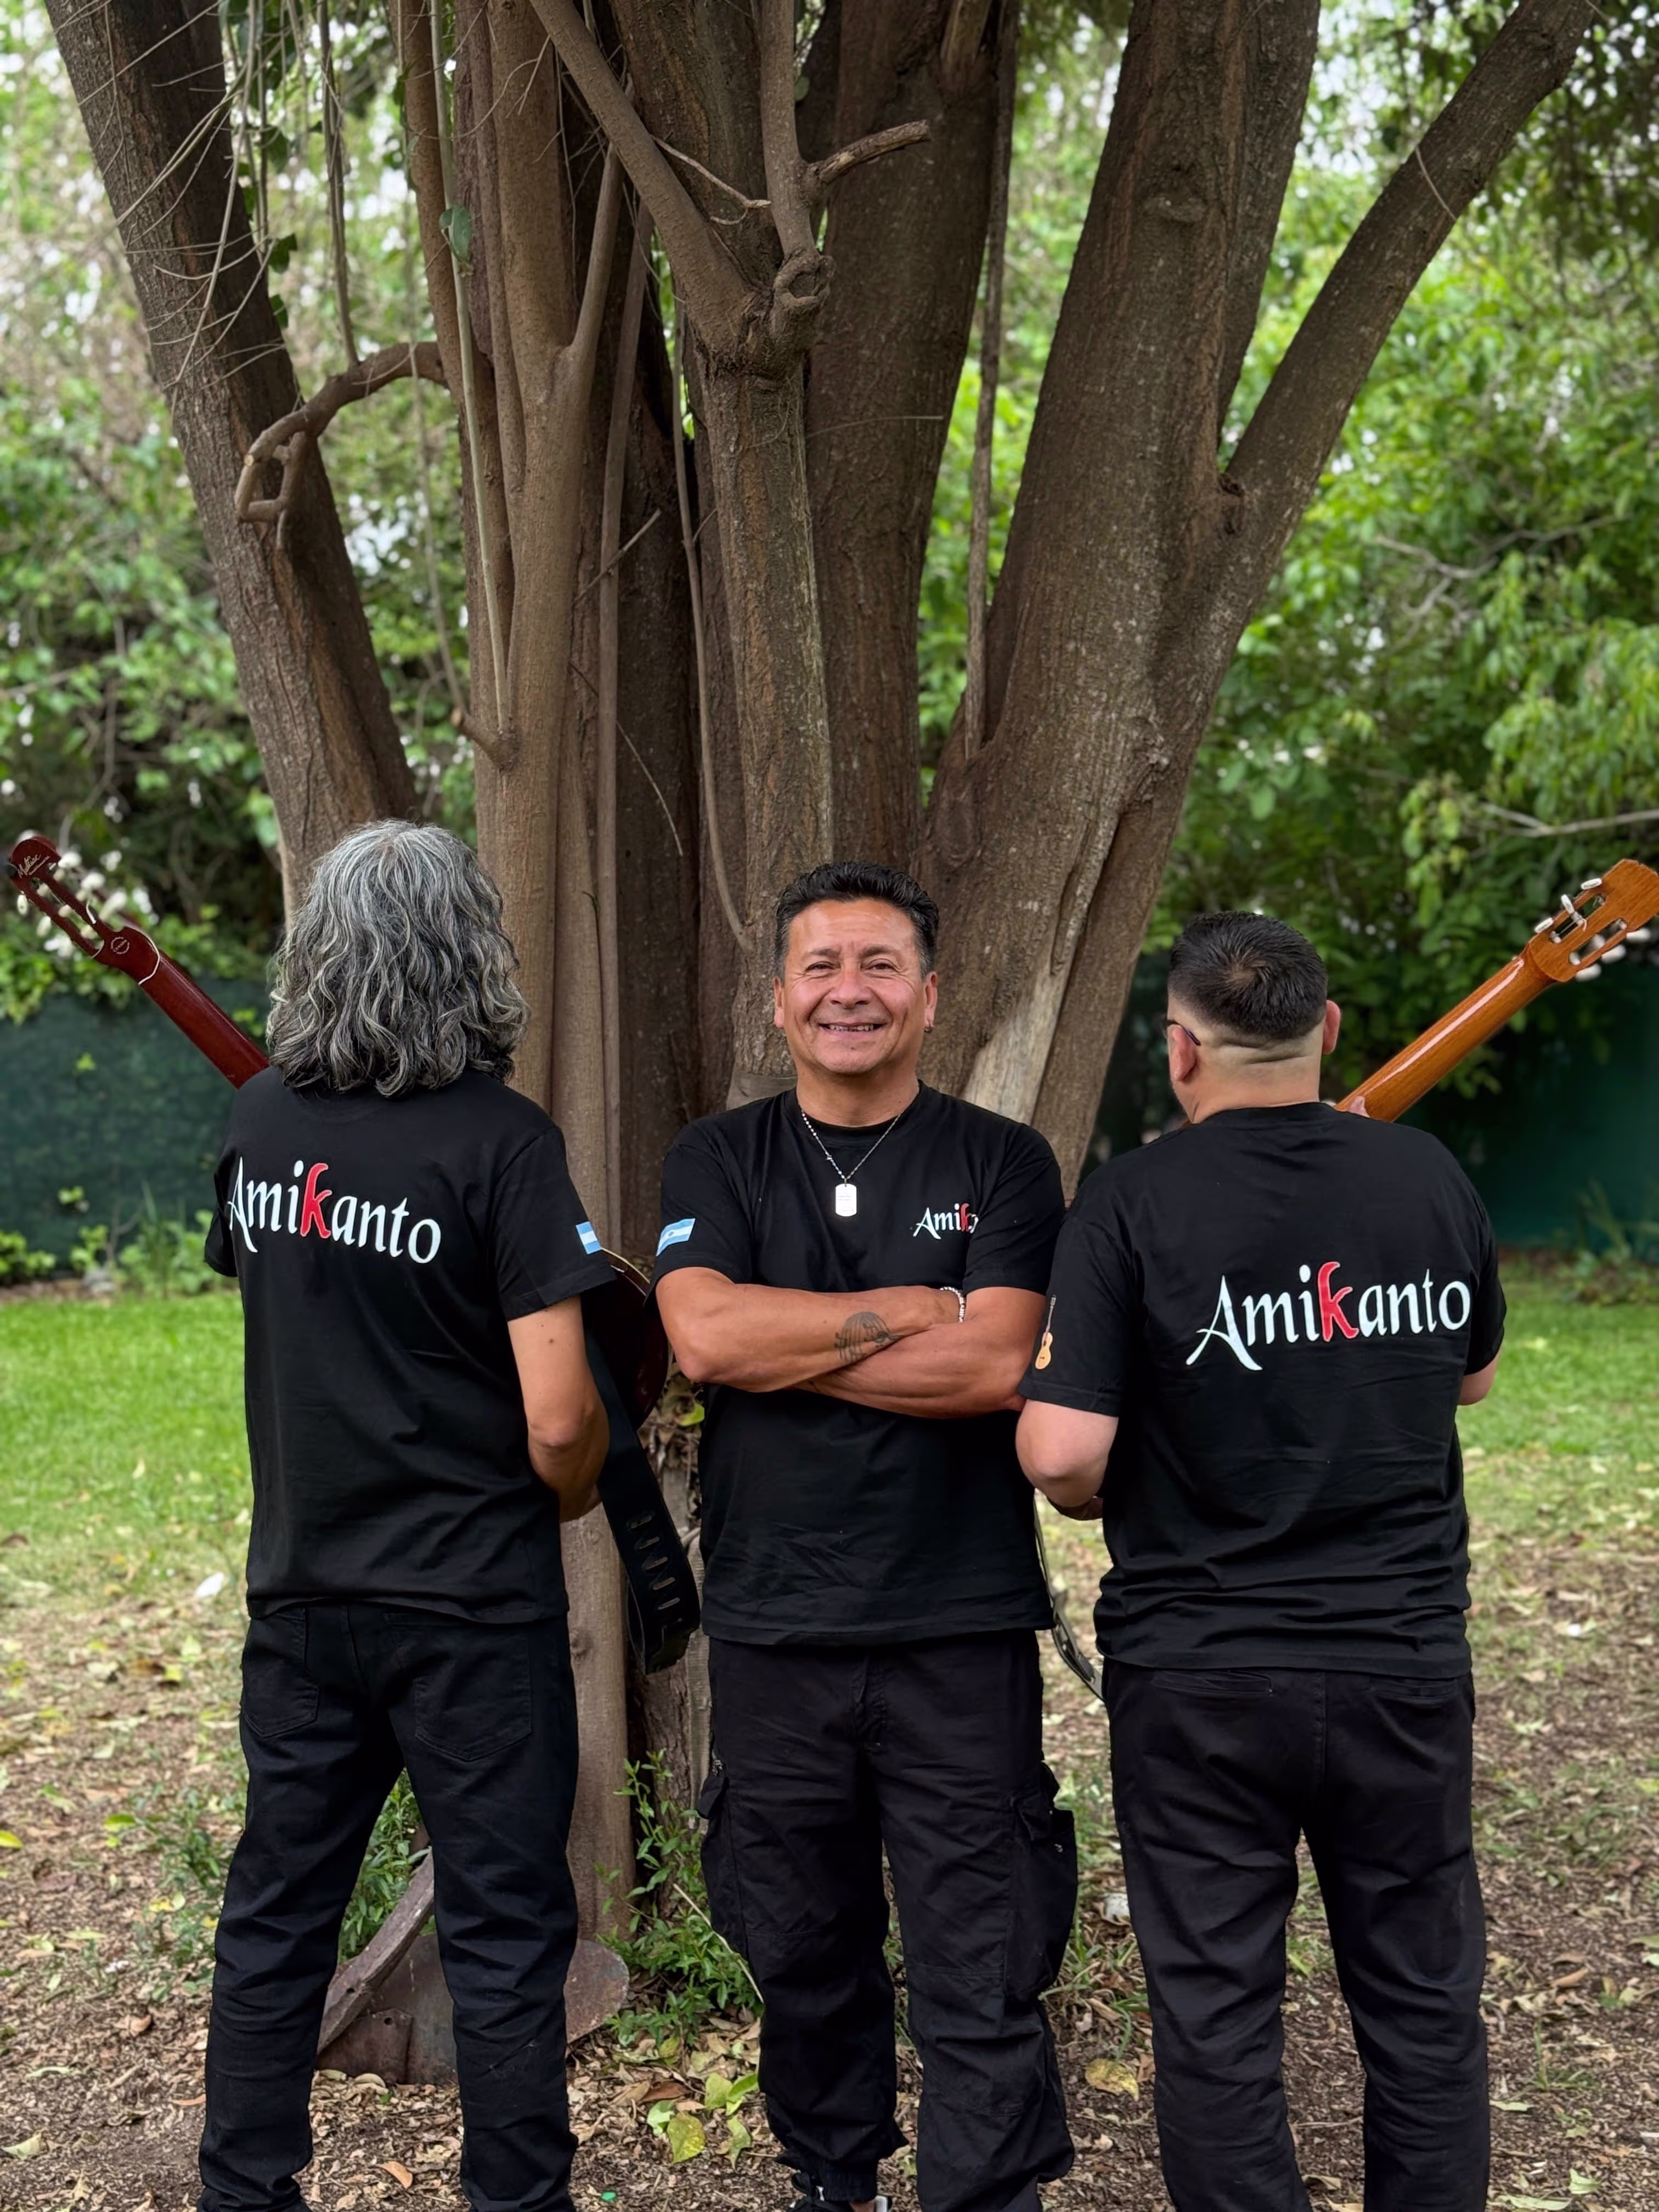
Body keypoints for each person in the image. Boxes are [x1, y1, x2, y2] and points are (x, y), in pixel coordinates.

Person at [1015, 910, 1505, 2212]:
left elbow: (1061, 1452)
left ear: (1179, 1049)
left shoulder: (1132, 1203)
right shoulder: (1427, 1181)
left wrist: (1100, 1484)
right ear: (1326, 1029)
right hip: (1402, 1660)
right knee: (1422, 1998)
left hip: (1203, 1675)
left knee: (1218, 2009)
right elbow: (1472, 1376)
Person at [198, 821, 617, 2212]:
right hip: (471, 1609)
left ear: (318, 954)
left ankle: (243, 2192)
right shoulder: (504, 1145)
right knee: (503, 1931)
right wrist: (576, 1484)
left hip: (303, 1594)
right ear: (469, 958)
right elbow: (557, 1419)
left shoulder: (260, 1124)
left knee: (276, 1916)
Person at [653, 861, 1076, 2212]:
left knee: (982, 1956)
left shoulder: (1003, 1161)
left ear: (930, 995)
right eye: (822, 966)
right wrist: (916, 1307)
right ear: (779, 1001)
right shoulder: (719, 1157)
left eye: (881, 965)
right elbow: (701, 1338)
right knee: (803, 1952)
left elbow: (997, 1366)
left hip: (960, 1623)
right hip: (777, 1623)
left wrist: (787, 1345)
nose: (852, 991)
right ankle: (836, 2181)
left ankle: (984, 2196)